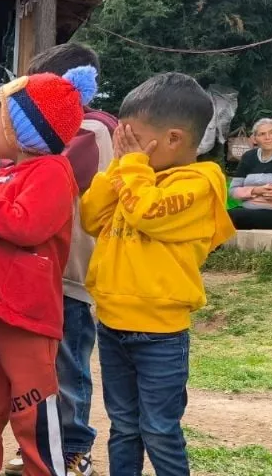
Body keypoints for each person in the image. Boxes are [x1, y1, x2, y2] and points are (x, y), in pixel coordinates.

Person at [80, 73, 236, 476]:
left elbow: (147, 213)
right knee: (124, 427)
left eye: (134, 140)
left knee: (160, 429)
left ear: (173, 139)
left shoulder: (201, 183)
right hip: (112, 325)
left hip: (160, 336)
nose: (126, 149)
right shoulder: (135, 176)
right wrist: (120, 167)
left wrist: (131, 167)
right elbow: (90, 216)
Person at [0, 66, 98, 476]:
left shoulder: (51, 171)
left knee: (31, 404)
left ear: (26, 132)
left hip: (27, 314)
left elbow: (24, 224)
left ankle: (44, 468)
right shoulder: (6, 174)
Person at [5, 44, 116, 476]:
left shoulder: (92, 131)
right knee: (37, 368)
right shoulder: (55, 135)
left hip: (71, 273)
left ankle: (74, 448)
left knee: (68, 365)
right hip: (40, 272)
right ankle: (42, 444)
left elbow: (51, 173)